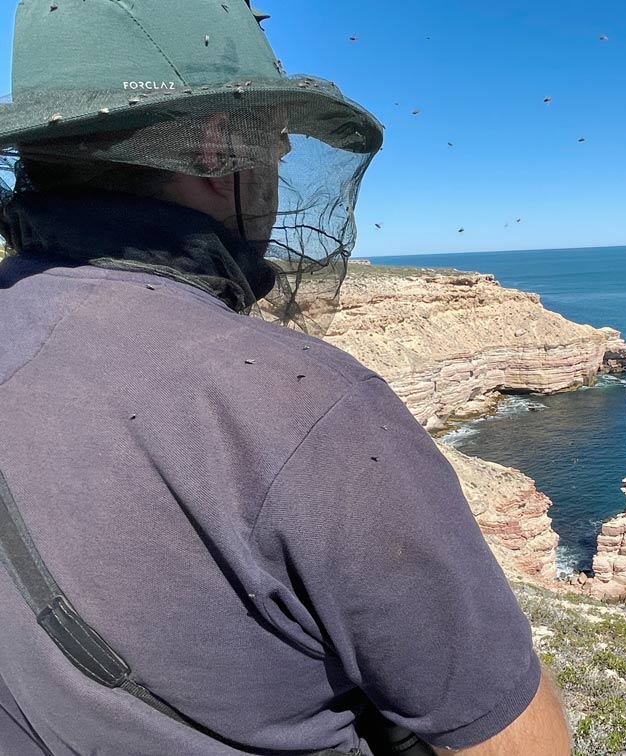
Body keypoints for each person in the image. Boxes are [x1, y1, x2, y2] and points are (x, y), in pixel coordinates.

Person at [0, 2, 571, 754]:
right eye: (273, 142)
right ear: (213, 150)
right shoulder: (306, 405)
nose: (278, 169)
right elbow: (518, 744)